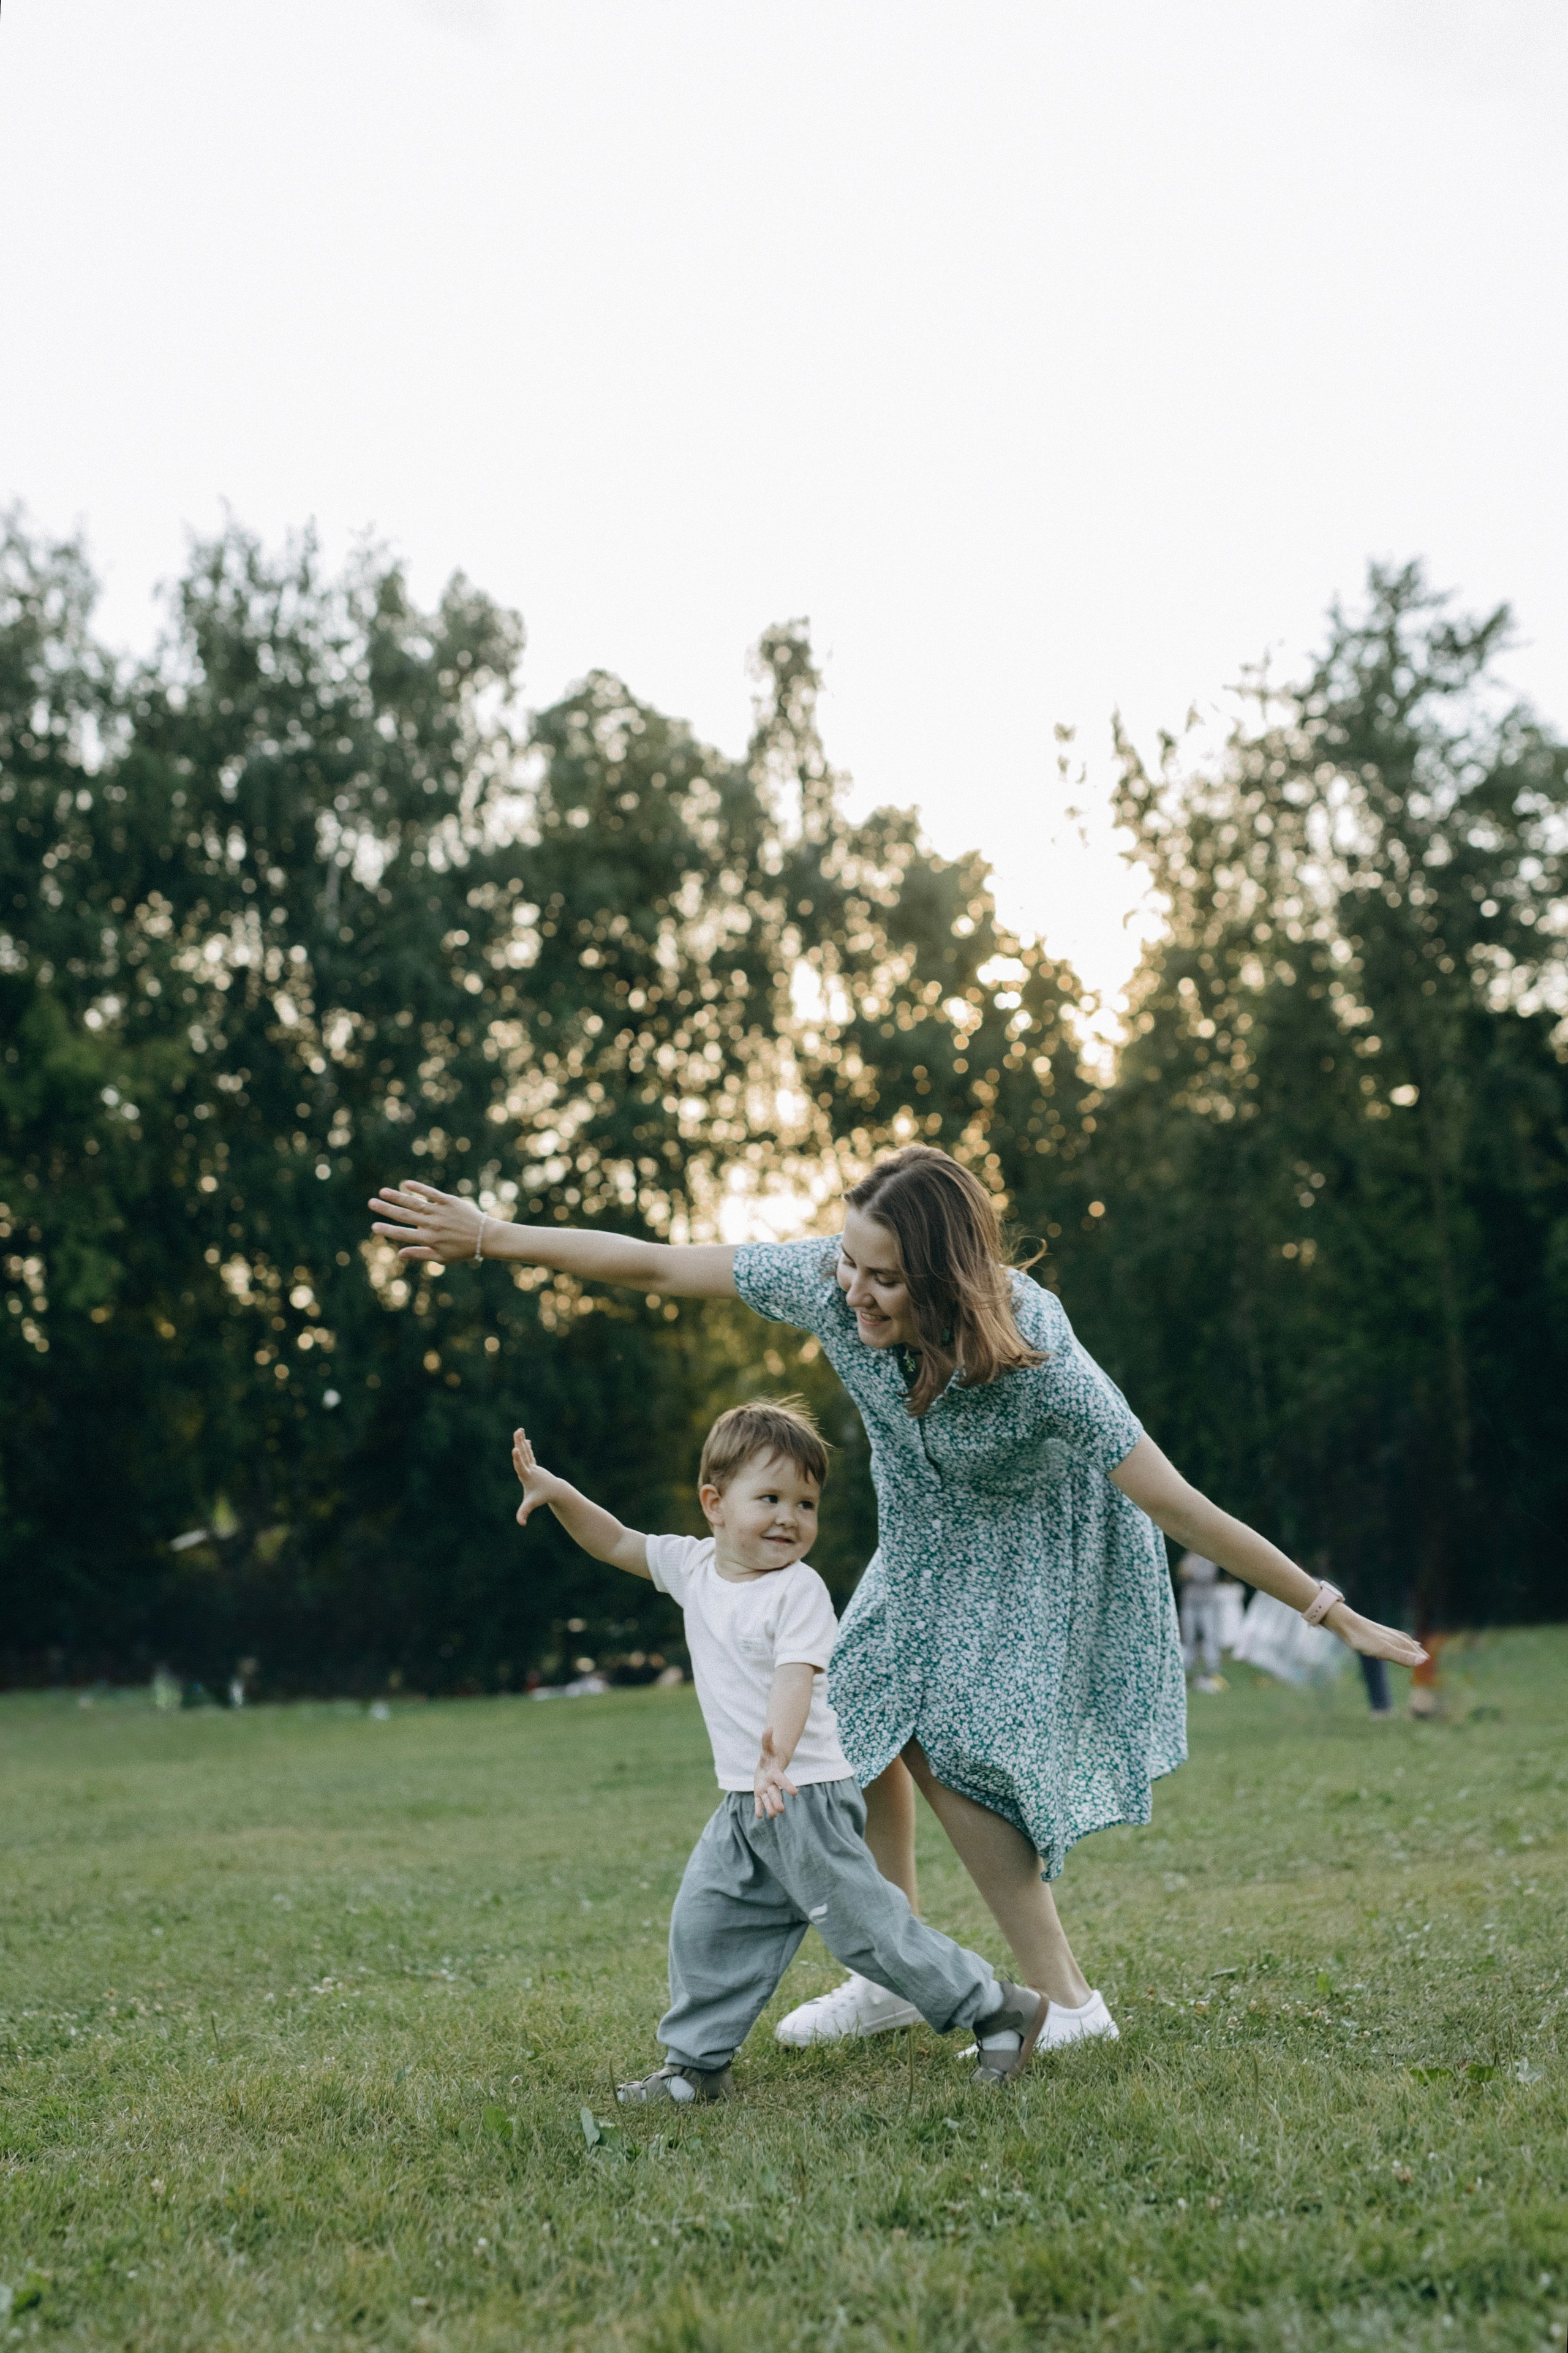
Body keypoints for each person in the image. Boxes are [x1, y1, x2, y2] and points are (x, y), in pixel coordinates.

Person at [370, 1146, 1425, 2055]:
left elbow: (1182, 1506)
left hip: (1033, 1548)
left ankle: (1068, 2004)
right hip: (922, 1544)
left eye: (882, 1278)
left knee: (949, 1739)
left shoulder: (1042, 1354)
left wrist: (1329, 1609)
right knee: (850, 1723)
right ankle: (891, 1974)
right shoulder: (828, 1284)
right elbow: (653, 1265)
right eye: (849, 1261)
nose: (853, 1290)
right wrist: (494, 1235)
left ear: (946, 1280)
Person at [508, 1396, 1051, 2095]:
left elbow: (797, 1679)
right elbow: (614, 1540)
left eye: (806, 1504)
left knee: (870, 1933)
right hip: (746, 1801)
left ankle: (999, 2009)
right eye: (770, 1497)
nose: (790, 1518)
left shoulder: (797, 1590)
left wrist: (775, 1756)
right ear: (714, 1502)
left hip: (803, 1795)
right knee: (704, 1923)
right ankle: (696, 2068)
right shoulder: (694, 1568)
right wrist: (557, 1493)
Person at [1177, 1550, 1229, 1694]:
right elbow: (1181, 1575)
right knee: (1188, 1636)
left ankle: (1213, 1668)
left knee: (1210, 1635)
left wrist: (1189, 1572)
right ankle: (1187, 1668)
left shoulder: (1209, 1557)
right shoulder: (1187, 1557)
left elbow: (1205, 1576)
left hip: (1207, 1602)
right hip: (1189, 1602)